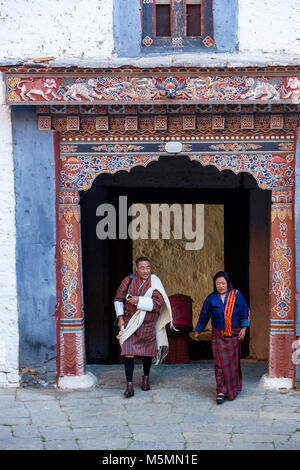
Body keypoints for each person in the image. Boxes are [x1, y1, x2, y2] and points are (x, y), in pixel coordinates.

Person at [114, 257, 175, 398]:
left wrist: (138, 300)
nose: (146, 271)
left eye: (148, 267)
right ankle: (129, 385)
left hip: (148, 323)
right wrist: (120, 318)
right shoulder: (127, 281)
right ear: (136, 268)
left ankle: (146, 379)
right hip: (131, 323)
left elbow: (157, 304)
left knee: (147, 353)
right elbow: (118, 299)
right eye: (142, 268)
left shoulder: (155, 282)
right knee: (128, 351)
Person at [194, 271, 250, 404]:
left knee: (231, 363)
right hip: (218, 335)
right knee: (219, 364)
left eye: (223, 283)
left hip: (234, 334)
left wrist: (244, 329)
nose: (221, 286)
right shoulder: (211, 298)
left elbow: (243, 312)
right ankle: (221, 391)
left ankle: (232, 387)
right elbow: (204, 315)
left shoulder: (236, 295)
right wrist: (198, 331)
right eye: (218, 283)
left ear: (227, 283)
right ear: (215, 285)